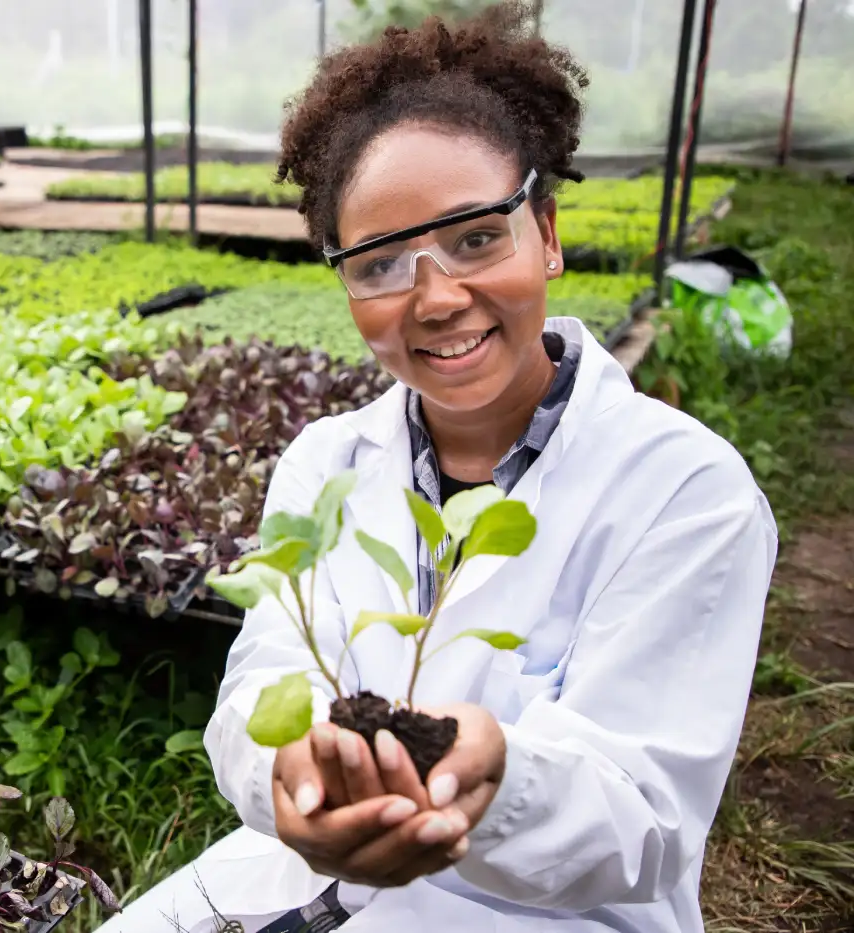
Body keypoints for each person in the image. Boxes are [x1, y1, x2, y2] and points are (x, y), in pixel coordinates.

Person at [94, 4, 776, 932]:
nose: (436, 299)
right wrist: (286, 777)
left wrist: (497, 780)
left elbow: (644, 814)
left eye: (476, 238)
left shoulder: (686, 490)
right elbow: (258, 691)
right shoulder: (326, 465)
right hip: (308, 873)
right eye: (379, 265)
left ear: (548, 231)